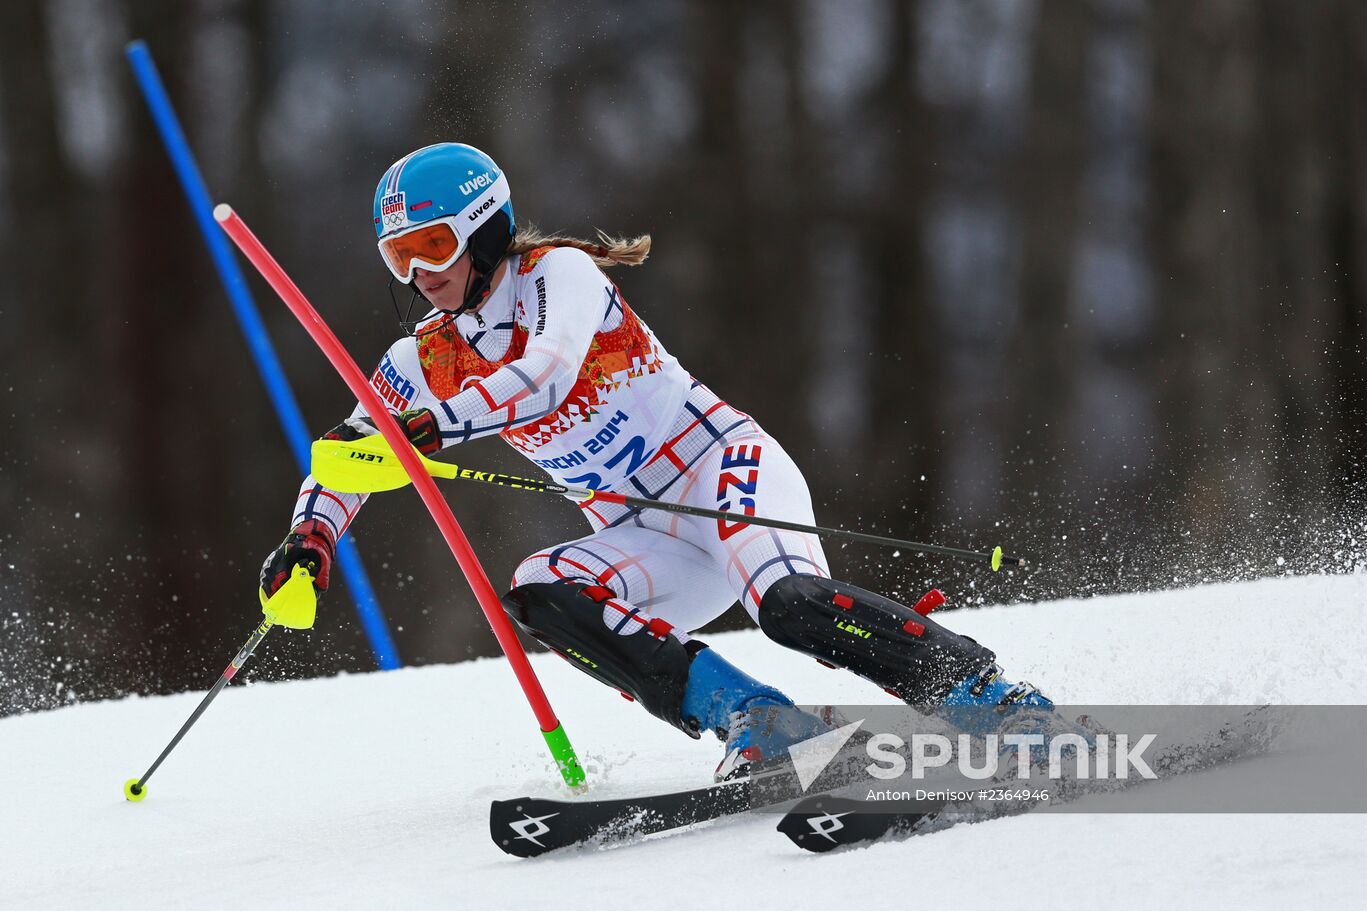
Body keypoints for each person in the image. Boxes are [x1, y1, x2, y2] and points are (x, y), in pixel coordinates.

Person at [259, 142, 1054, 781]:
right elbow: (346, 454)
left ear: (486, 228)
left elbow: (547, 376)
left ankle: (991, 699)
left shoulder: (556, 276)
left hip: (719, 470)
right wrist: (310, 538)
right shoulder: (419, 359)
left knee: (789, 607)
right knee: (538, 590)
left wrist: (436, 424)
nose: (420, 274)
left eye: (433, 246)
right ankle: (764, 723)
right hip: (644, 535)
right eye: (399, 256)